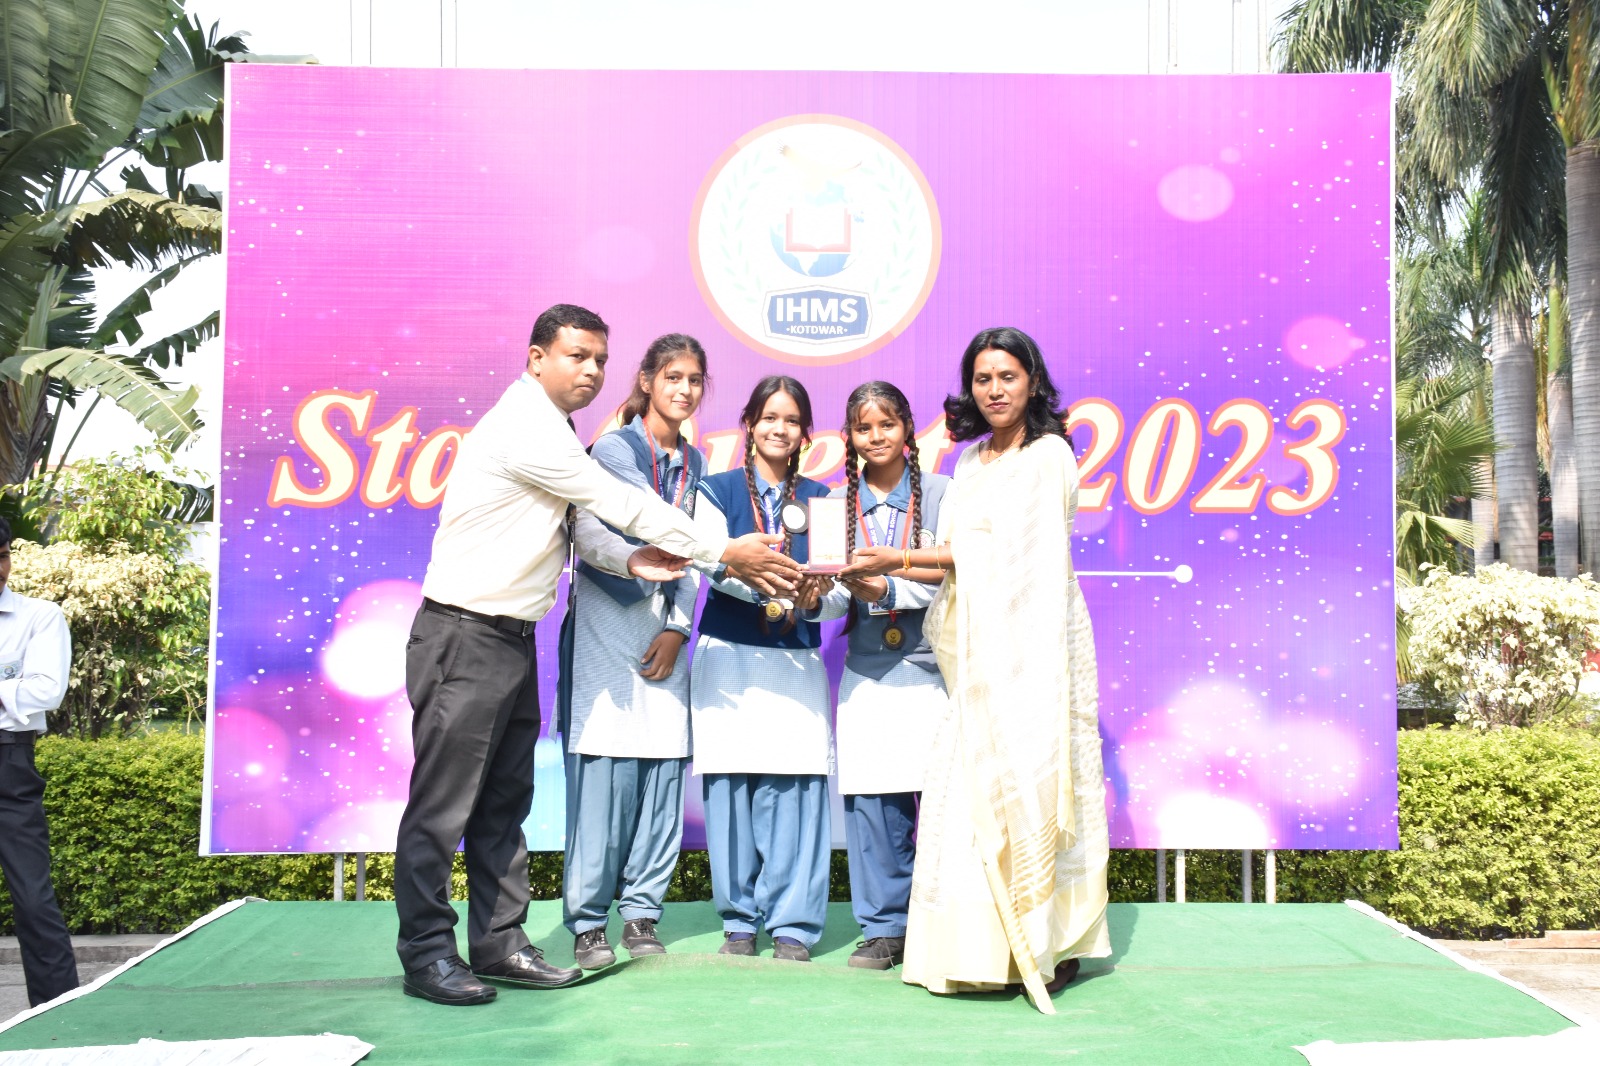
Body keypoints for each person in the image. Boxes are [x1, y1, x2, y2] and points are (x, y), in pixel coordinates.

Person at [395, 305, 800, 1006]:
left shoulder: (557, 428)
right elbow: (612, 500)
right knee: (443, 808)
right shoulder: (527, 427)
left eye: (600, 360)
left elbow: (582, 529)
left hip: (511, 638)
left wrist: (634, 559)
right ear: (536, 358)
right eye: (576, 356)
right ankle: (427, 954)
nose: (590, 371)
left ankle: (499, 944)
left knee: (503, 805)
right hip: (463, 634)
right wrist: (722, 550)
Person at [840, 327, 1109, 1014]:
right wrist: (890, 565)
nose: (994, 390)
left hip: (1036, 649)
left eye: (1007, 376)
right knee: (971, 798)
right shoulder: (969, 460)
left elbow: (1022, 557)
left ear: (1032, 381)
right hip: (978, 655)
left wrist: (898, 559)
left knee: (1036, 788)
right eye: (982, 378)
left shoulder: (1049, 455)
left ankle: (1045, 947)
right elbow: (957, 552)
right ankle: (980, 954)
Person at [558, 334, 709, 970]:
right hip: (605, 625)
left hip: (663, 632)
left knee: (661, 774)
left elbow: (699, 549)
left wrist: (678, 628)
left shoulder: (696, 462)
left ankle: (642, 911)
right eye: (672, 377)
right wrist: (639, 565)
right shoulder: (612, 450)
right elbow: (593, 531)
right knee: (603, 776)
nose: (683, 390)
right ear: (646, 381)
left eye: (694, 380)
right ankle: (589, 920)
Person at [688, 375, 836, 963]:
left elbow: (835, 584)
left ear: (805, 432)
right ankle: (739, 922)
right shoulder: (714, 489)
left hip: (796, 659)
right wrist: (768, 585)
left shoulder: (824, 500)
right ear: (749, 424)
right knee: (730, 789)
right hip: (727, 658)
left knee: (795, 788)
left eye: (792, 420)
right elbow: (706, 560)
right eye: (769, 417)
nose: (780, 429)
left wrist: (816, 598)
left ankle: (794, 925)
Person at [809, 382, 951, 971]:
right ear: (850, 436)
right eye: (864, 428)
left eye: (887, 424)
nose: (876, 437)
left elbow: (958, 577)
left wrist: (889, 588)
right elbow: (834, 599)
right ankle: (886, 928)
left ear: (908, 428)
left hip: (935, 672)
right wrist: (814, 599)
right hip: (867, 674)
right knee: (872, 801)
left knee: (944, 802)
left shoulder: (943, 495)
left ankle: (946, 922)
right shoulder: (833, 506)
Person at [0, 519, 80, 1007]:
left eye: (2, 555)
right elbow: (22, 691)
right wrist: (9, 690)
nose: (0, 568)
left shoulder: (40, 616)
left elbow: (46, 691)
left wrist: (15, 697)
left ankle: (60, 1015)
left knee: (32, 896)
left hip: (8, 760)